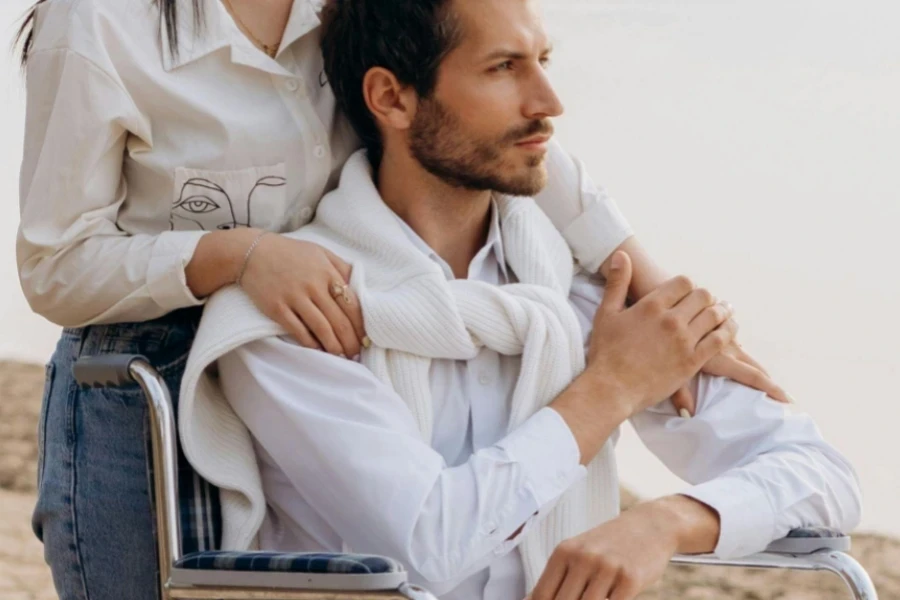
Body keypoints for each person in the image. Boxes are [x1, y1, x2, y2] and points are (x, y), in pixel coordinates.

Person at [16, 0, 787, 599]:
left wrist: (653, 290)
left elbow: (505, 129)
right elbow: (54, 264)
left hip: (347, 323)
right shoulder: (97, 22)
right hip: (146, 377)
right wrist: (237, 256)